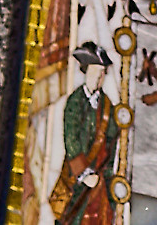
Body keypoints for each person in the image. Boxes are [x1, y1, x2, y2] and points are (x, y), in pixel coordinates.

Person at [48, 42, 119, 225]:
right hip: (76, 174)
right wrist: (84, 174)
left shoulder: (107, 105)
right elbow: (71, 140)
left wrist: (108, 173)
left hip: (99, 176)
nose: (99, 77)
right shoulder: (75, 101)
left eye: (103, 73)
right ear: (86, 70)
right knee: (69, 216)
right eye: (96, 71)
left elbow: (111, 140)